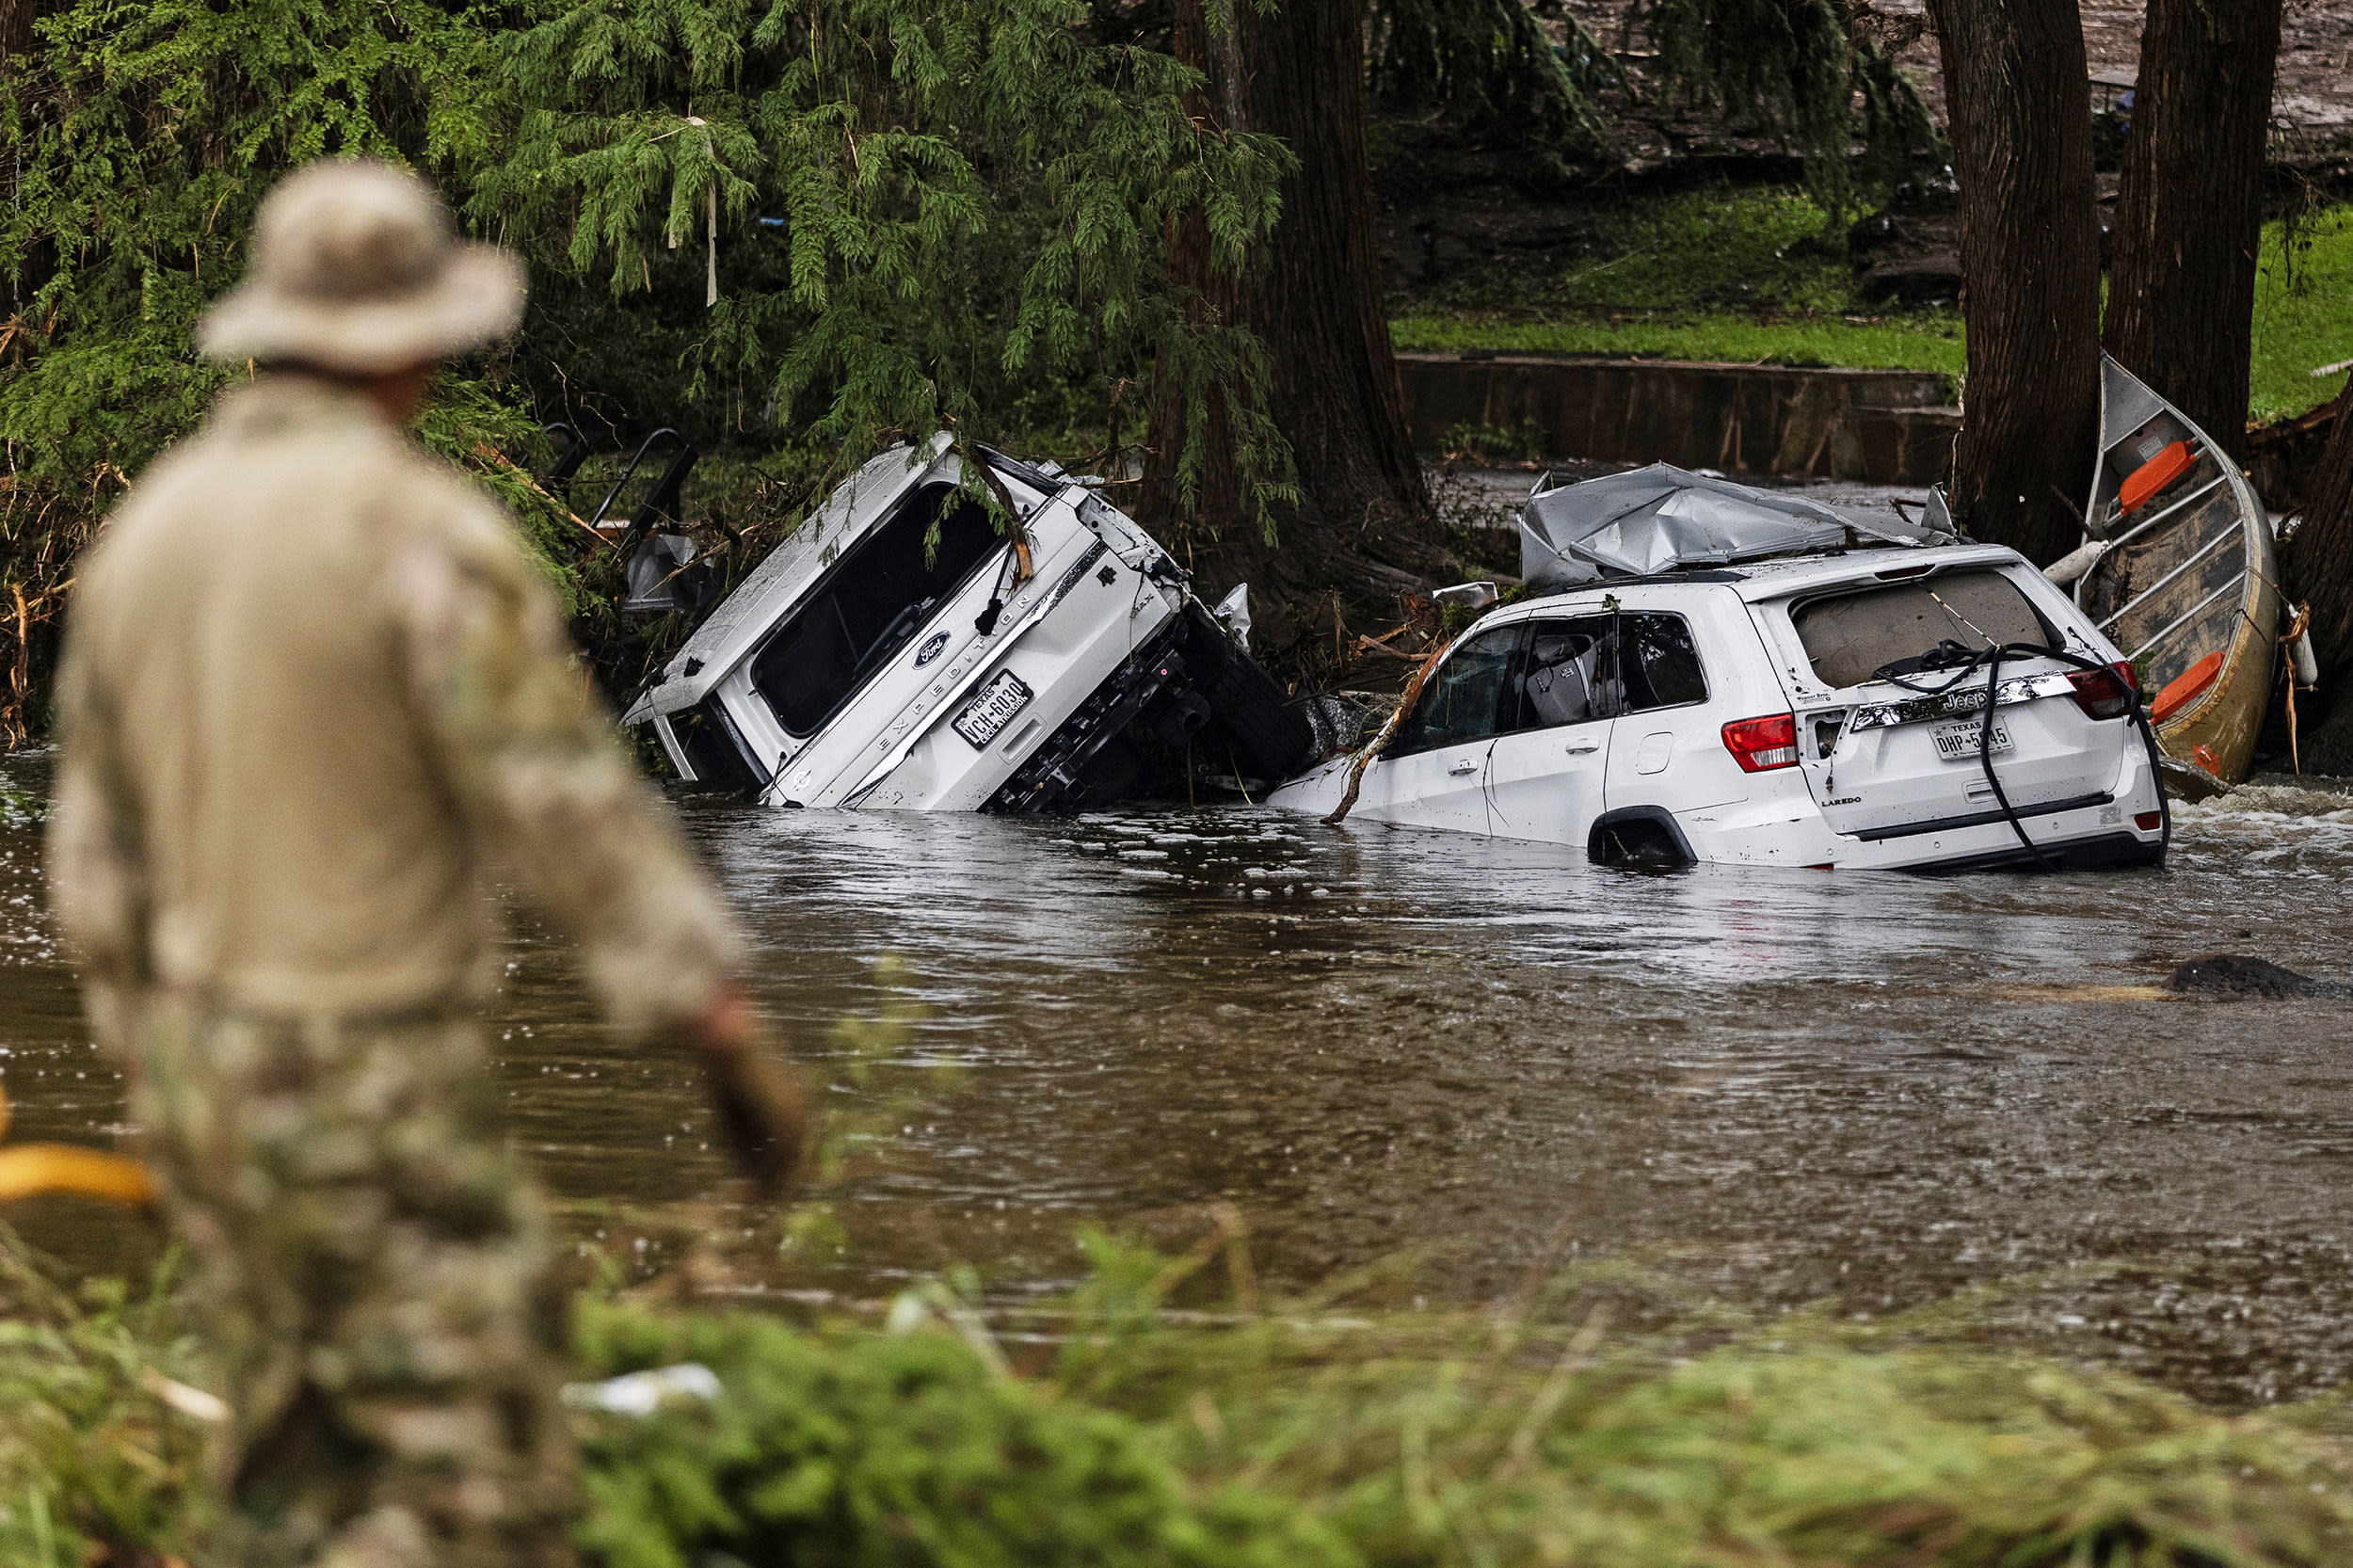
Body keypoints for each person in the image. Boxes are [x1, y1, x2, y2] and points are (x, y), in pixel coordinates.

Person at [46, 159, 807, 1568]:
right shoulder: (421, 536)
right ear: (416, 348)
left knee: (288, 1467)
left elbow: (90, 868)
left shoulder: (145, 536)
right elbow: (565, 807)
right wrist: (718, 1020)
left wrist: (163, 1063)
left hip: (203, 1080)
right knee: (480, 1485)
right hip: (370, 1080)